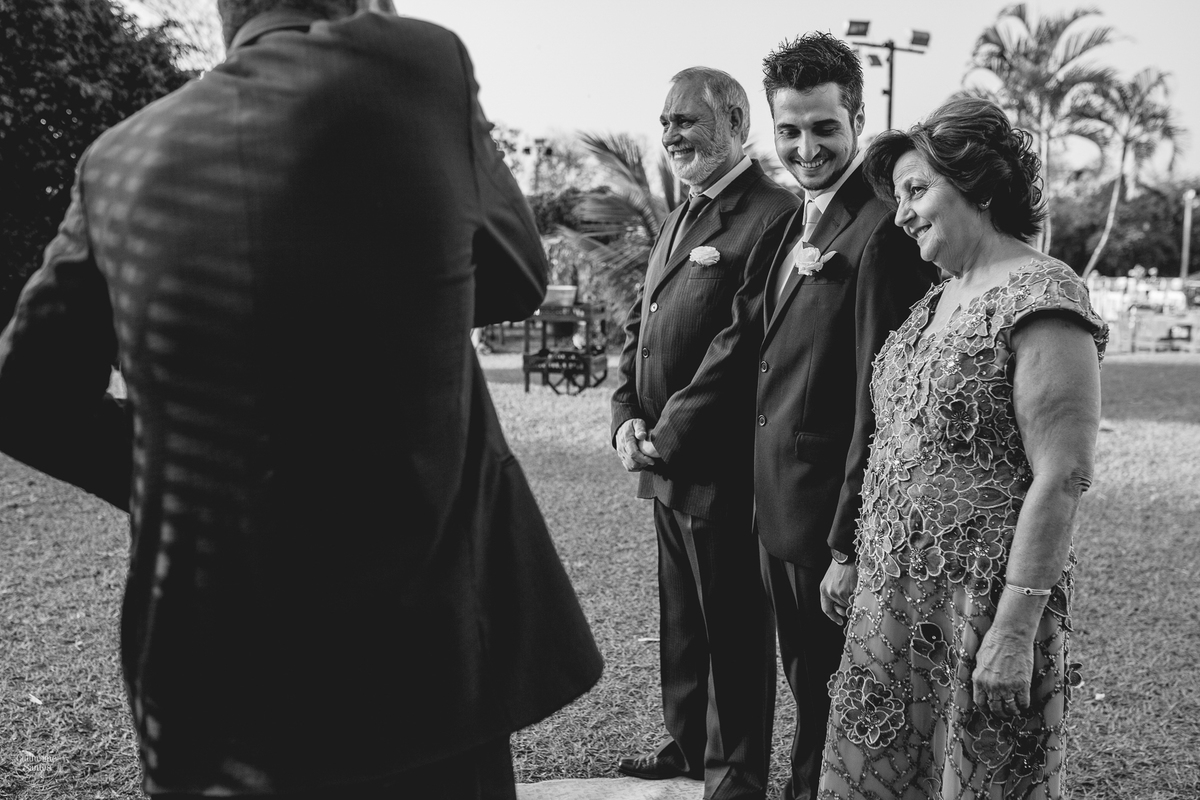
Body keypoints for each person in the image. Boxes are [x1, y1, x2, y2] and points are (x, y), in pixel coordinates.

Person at [0, 1, 603, 797]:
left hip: (214, 692)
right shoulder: (418, 65)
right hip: (423, 667)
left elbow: (23, 396)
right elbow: (518, 273)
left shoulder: (115, 160)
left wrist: (180, 482)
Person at [816, 96, 1108, 799]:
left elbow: (1063, 474)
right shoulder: (938, 296)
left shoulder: (1043, 294)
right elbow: (899, 441)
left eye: (917, 190)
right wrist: (853, 556)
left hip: (978, 606)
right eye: (897, 198)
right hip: (893, 598)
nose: (902, 213)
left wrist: (1014, 629)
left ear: (977, 185)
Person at [751, 33, 938, 800]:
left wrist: (849, 544)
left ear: (857, 119)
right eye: (789, 130)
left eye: (824, 127)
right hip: (780, 513)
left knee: (839, 714)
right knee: (810, 698)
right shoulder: (800, 221)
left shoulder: (882, 230)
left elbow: (883, 400)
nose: (806, 148)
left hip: (828, 523)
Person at [610, 67, 799, 799]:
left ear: (736, 121)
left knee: (732, 625)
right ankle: (689, 745)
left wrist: (669, 432)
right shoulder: (680, 214)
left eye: (686, 119)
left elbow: (742, 342)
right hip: (662, 458)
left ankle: (736, 774)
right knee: (682, 618)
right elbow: (640, 326)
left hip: (720, 461)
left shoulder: (774, 213)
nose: (670, 133)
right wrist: (625, 417)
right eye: (665, 121)